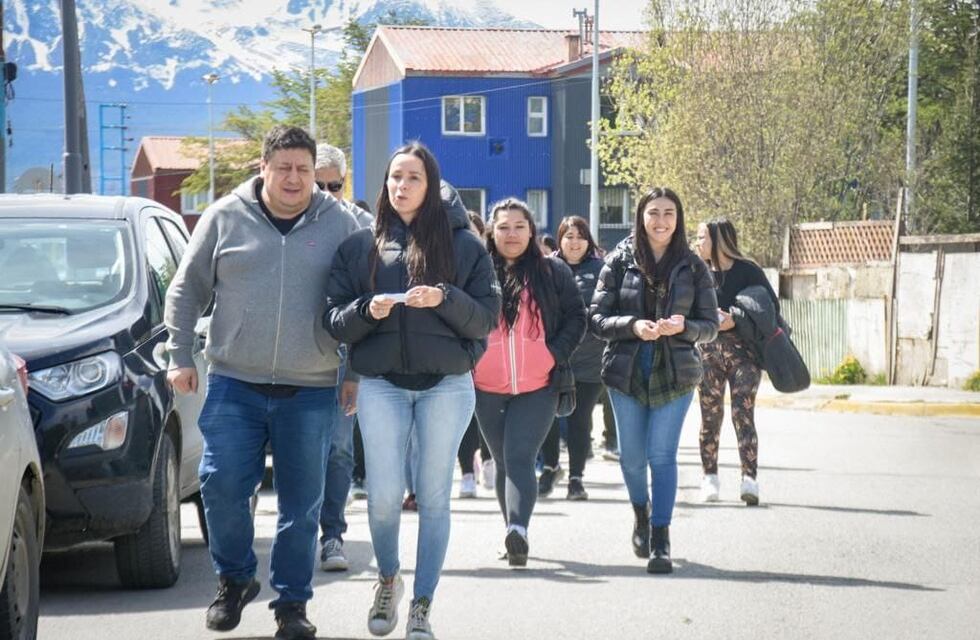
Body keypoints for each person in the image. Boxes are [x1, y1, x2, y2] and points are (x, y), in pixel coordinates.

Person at [165, 125, 360, 640]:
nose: (295, 179)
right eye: (284, 168)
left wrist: (354, 371)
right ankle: (235, 579)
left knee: (301, 505)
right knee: (221, 484)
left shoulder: (342, 223)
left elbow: (364, 303)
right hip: (235, 380)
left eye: (304, 169)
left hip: (313, 386)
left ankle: (292, 606)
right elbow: (186, 289)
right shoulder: (225, 215)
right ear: (264, 167)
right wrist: (179, 354)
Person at [325, 142, 499, 640]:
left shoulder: (464, 246)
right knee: (382, 499)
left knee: (434, 496)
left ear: (432, 185)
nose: (401, 186)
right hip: (381, 386)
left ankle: (422, 603)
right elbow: (334, 321)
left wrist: (446, 297)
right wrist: (367, 311)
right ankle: (387, 580)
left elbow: (487, 317)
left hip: (447, 386)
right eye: (394, 177)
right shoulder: (361, 246)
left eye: (413, 178)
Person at [590, 187, 718, 575]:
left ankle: (661, 537)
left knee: (661, 456)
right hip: (626, 370)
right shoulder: (618, 260)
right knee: (631, 458)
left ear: (678, 219)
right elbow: (596, 318)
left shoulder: (693, 265)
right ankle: (641, 516)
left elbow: (710, 326)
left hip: (675, 372)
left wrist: (686, 327)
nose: (661, 221)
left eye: (669, 213)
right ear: (640, 216)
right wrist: (633, 326)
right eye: (653, 213)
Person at [473, 198, 586, 567]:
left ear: (532, 230)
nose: (512, 234)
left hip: (539, 383)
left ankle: (519, 528)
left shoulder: (552, 272)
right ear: (492, 231)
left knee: (519, 455)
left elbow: (576, 318)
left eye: (519, 226)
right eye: (503, 227)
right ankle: (513, 535)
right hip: (485, 384)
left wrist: (551, 354)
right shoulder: (476, 271)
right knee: (504, 460)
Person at [314, 143, 375, 573]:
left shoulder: (364, 229)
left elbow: (369, 304)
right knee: (296, 449)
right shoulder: (284, 222)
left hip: (341, 358)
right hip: (291, 357)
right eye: (319, 184)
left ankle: (332, 534)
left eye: (334, 185)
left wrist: (355, 368)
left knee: (338, 448)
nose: (325, 192)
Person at [695, 219, 776, 506]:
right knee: (710, 417)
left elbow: (769, 311)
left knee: (743, 414)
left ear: (717, 240)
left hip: (746, 355)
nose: (697, 242)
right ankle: (709, 477)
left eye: (701, 237)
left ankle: (749, 479)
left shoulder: (749, 270)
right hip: (708, 354)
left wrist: (734, 318)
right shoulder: (698, 271)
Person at [538, 216, 606, 500]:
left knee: (580, 420)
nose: (574, 242)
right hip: (552, 357)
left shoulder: (601, 269)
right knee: (547, 418)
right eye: (568, 236)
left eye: (580, 236)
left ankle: (576, 478)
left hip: (589, 360)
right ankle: (551, 467)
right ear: (560, 240)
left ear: (588, 240)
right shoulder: (546, 269)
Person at [315, 142, 374, 228]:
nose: (327, 194)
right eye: (319, 186)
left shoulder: (363, 222)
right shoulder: (295, 219)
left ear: (344, 181)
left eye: (334, 186)